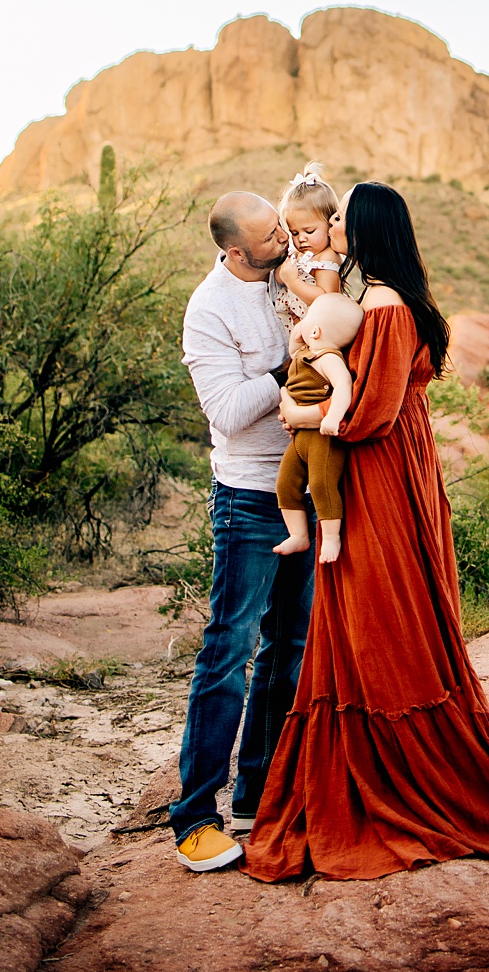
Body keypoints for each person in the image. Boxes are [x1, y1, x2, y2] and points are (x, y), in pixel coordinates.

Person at [244, 181, 489, 882]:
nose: (333, 226)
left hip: (382, 473)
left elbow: (370, 412)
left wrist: (301, 421)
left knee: (377, 610)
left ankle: (394, 773)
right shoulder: (385, 296)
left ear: (365, 229)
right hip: (393, 470)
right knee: (374, 610)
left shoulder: (388, 306)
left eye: (341, 219)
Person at [171, 192, 315, 874]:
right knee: (228, 653)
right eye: (268, 234)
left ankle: (258, 794)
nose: (282, 236)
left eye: (281, 225)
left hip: (313, 493)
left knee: (289, 647)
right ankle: (196, 817)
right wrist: (290, 365)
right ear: (235, 250)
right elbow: (227, 412)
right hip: (250, 499)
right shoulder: (208, 310)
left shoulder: (289, 276)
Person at [273, 290, 363, 564]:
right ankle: (299, 535)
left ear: (315, 330)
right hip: (299, 438)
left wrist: (332, 417)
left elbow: (344, 389)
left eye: (307, 318)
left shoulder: (330, 359)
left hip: (322, 437)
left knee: (322, 485)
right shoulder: (304, 354)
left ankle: (332, 537)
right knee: (286, 484)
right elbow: (292, 351)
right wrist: (297, 333)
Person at [271, 164, 342, 331]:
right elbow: (279, 277)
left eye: (309, 231)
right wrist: (284, 274)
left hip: (320, 327)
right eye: (294, 233)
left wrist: (293, 281)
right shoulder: (301, 253)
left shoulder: (327, 257)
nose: (301, 239)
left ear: (329, 223)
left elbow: (326, 298)